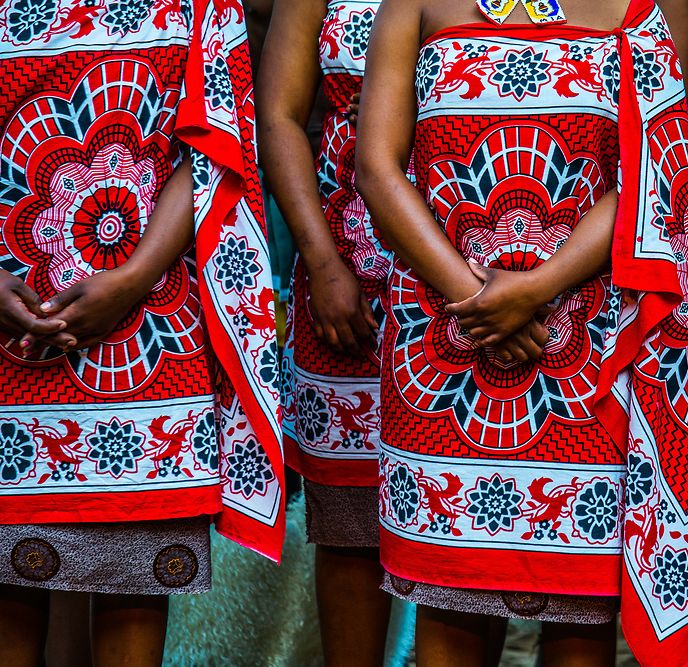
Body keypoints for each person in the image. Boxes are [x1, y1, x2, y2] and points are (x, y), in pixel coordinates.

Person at [354, 0, 688, 665]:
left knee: (580, 617)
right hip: (441, 351)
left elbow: (652, 173)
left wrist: (534, 291)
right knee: (450, 604)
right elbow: (376, 167)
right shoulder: (412, 5)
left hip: (587, 349)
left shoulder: (637, 11)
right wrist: (475, 298)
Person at [0, 1, 284, 665]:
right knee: (6, 589)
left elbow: (215, 145)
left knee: (135, 583)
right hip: (11, 336)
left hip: (149, 338)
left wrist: (132, 279)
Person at [258, 1, 395, 665]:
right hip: (350, 276)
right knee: (350, 524)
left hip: (491, 269)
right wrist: (319, 261)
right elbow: (280, 115)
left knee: (478, 524)